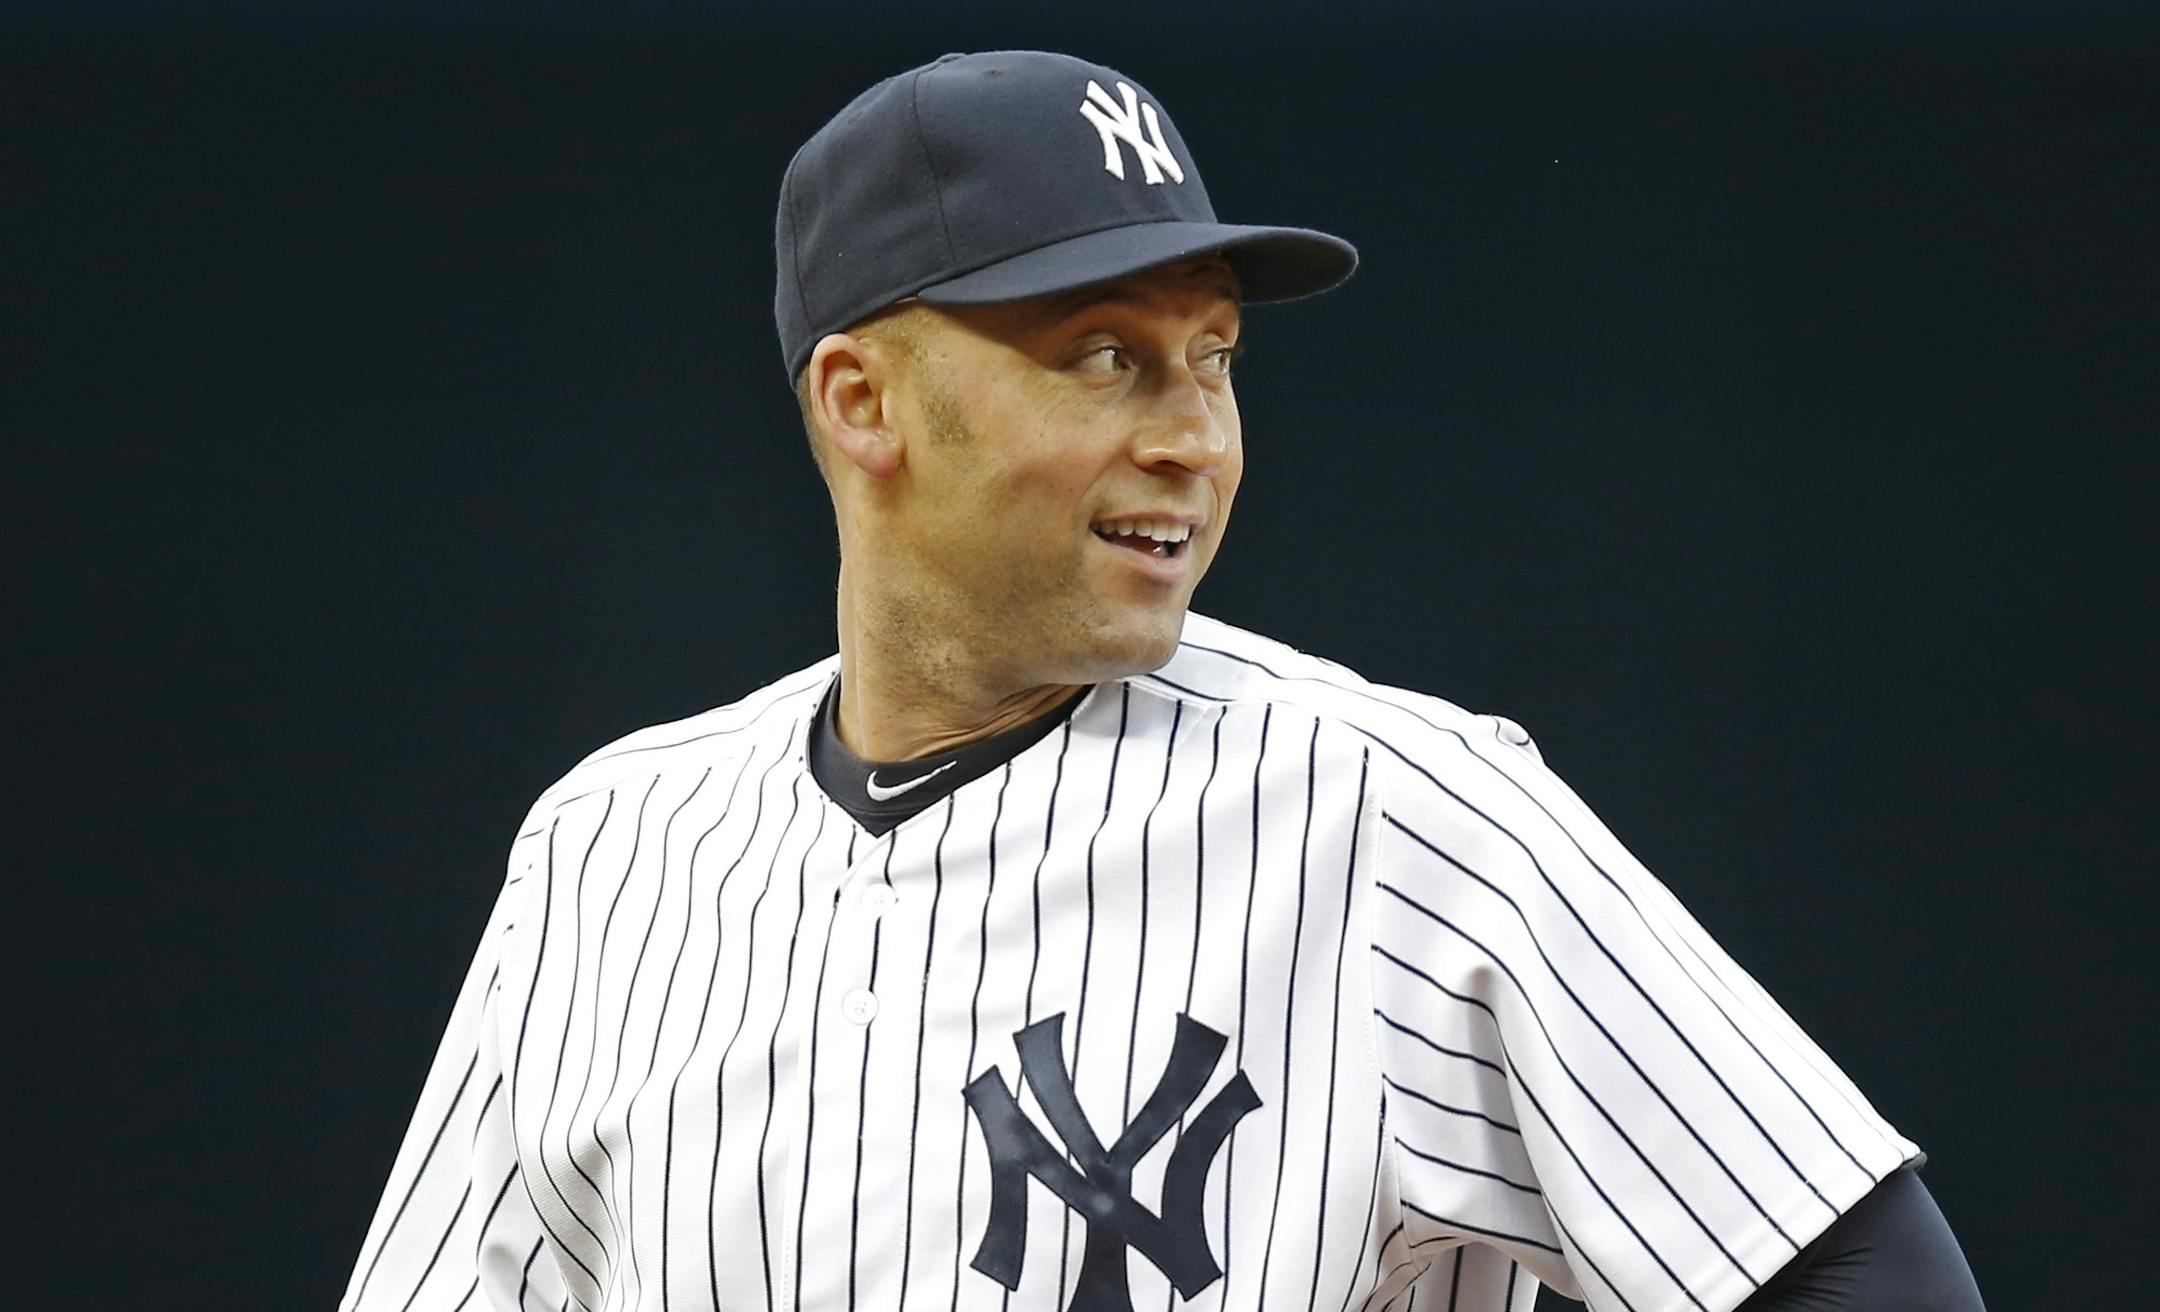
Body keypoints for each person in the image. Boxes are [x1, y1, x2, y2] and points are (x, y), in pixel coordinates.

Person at [342, 51, 1983, 1312]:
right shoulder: (610, 850)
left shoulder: (1398, 808)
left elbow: (1856, 1276)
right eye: (1104, 354)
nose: (1192, 436)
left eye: (1213, 358)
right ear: (862, 401)